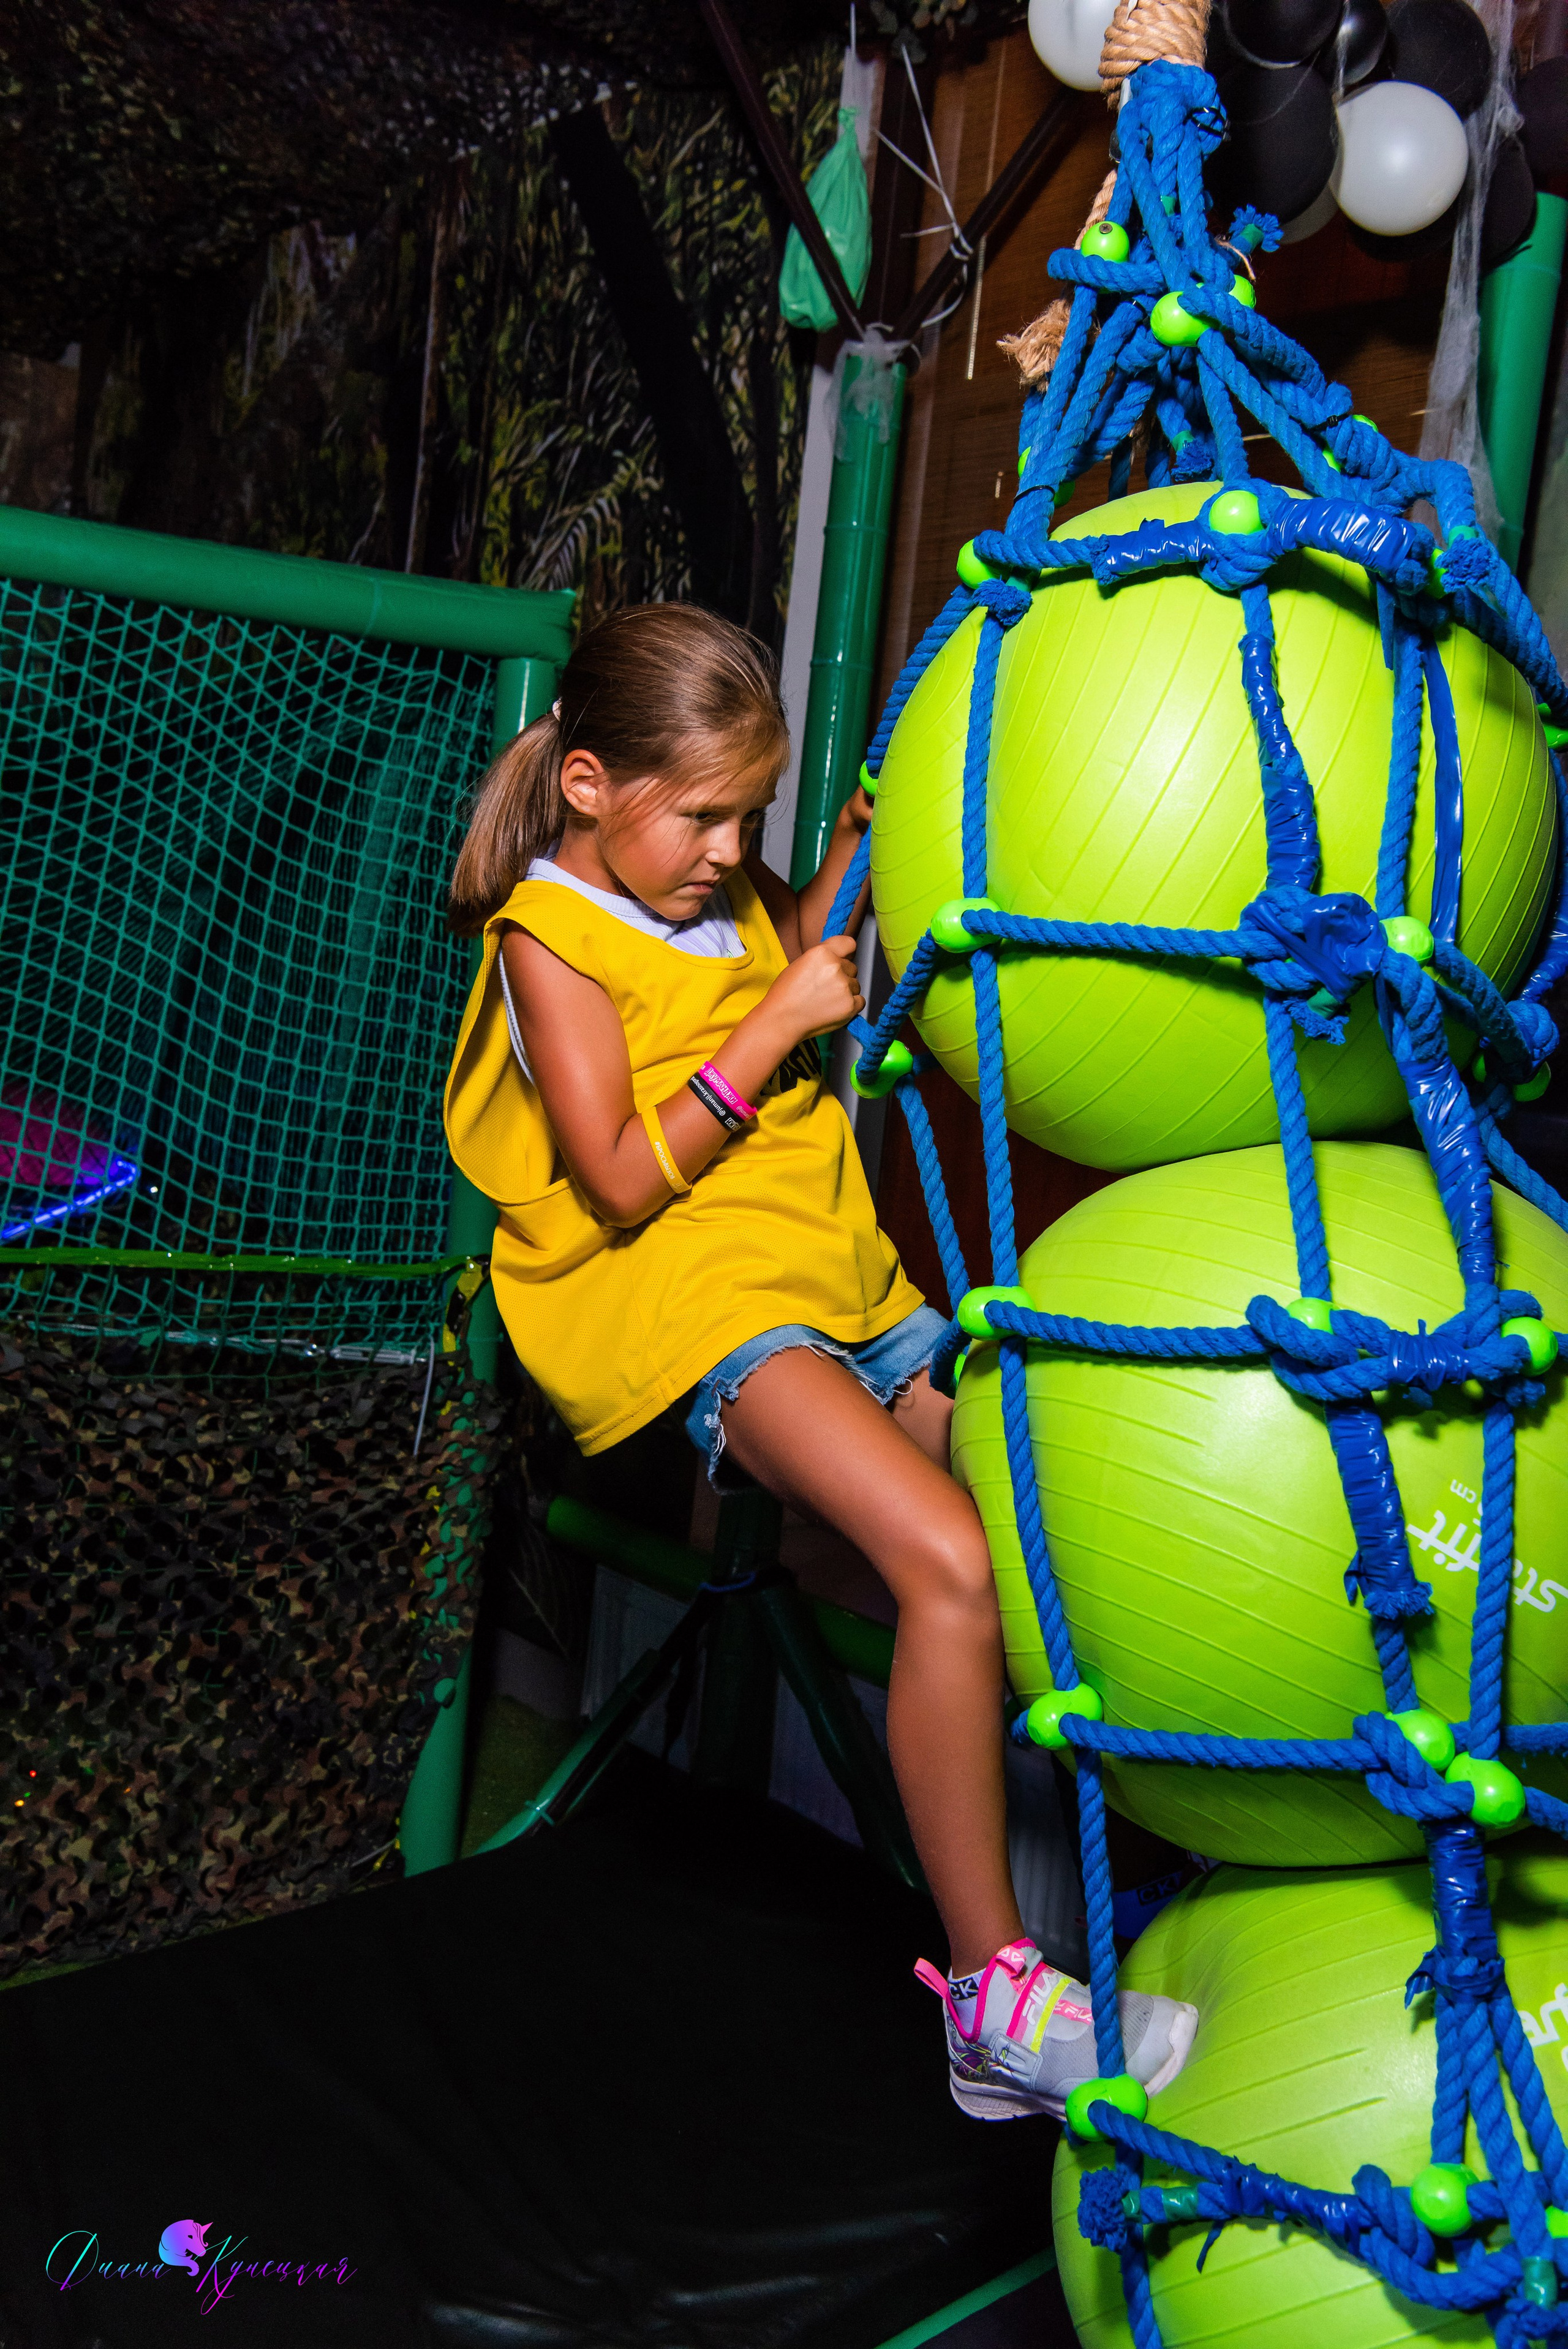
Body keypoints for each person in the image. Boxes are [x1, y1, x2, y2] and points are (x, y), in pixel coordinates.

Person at [443, 602, 1196, 2120]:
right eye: (702, 814)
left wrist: (849, 850)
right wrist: (783, 1014)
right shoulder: (548, 940)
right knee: (946, 1560)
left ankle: (1155, 1884)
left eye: (749, 814)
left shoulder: (701, 891)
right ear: (587, 785)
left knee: (1051, 1529)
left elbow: (761, 962)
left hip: (847, 1277)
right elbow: (615, 1174)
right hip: (712, 1310)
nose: (729, 847)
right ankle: (993, 2002)